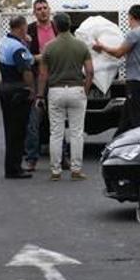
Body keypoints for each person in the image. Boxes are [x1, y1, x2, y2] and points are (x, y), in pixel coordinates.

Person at [37, 13, 94, 181]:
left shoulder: (49, 47)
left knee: (56, 132)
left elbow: (43, 75)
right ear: (70, 25)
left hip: (56, 90)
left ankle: (56, 171)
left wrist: (40, 95)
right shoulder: (81, 46)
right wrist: (85, 88)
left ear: (55, 25)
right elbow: (90, 71)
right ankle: (76, 170)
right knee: (77, 132)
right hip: (76, 89)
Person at [93, 4, 140, 135]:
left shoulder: (134, 34)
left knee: (136, 118)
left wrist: (102, 47)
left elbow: (119, 53)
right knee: (125, 119)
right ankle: (115, 144)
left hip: (135, 81)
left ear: (130, 17)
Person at [0, 16, 36, 179]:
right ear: (21, 28)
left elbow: (29, 59)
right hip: (17, 90)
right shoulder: (17, 48)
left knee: (10, 129)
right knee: (18, 131)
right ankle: (14, 168)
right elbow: (26, 69)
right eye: (25, 27)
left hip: (5, 87)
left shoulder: (4, 41)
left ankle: (12, 166)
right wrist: (32, 89)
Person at [24, 0, 57, 172]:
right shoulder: (29, 31)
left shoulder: (57, 28)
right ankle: (31, 159)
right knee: (34, 120)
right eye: (39, 9)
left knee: (57, 120)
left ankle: (63, 157)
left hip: (57, 78)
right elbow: (25, 56)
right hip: (38, 79)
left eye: (45, 8)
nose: (43, 11)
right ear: (34, 13)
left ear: (50, 10)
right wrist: (41, 57)